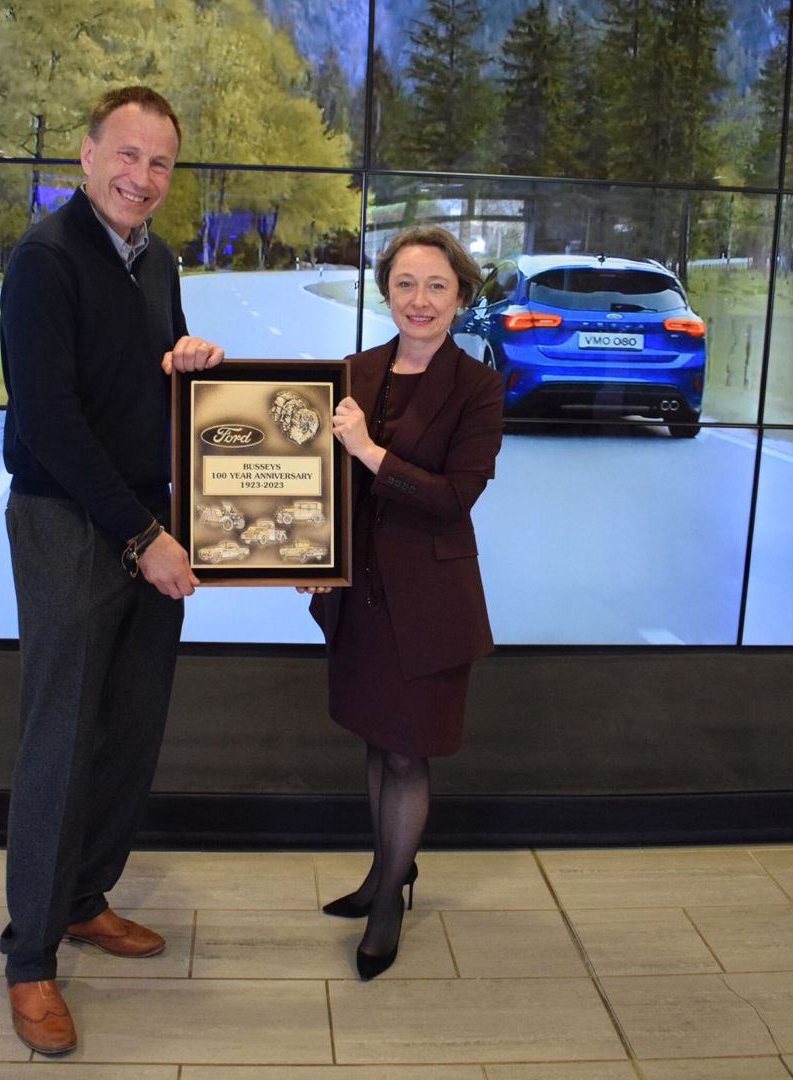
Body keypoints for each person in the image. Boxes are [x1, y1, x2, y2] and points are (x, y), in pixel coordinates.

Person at [0, 86, 224, 1055]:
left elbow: (140, 380)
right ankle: (30, 959)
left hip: (145, 518)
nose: (142, 176)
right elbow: (50, 419)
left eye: (160, 162)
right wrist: (142, 536)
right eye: (125, 155)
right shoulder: (45, 263)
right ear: (86, 157)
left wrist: (187, 362)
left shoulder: (157, 259)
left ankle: (87, 897)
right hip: (70, 522)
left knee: (130, 726)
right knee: (60, 737)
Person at [301, 227, 503, 980]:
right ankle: (390, 868)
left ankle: (388, 900)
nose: (419, 300)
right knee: (375, 739)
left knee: (406, 752)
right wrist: (310, 552)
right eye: (405, 284)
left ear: (461, 296)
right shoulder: (354, 371)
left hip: (429, 601)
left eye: (437, 286)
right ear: (386, 290)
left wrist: (371, 452)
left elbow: (454, 499)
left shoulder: (478, 387)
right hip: (362, 595)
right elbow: (327, 487)